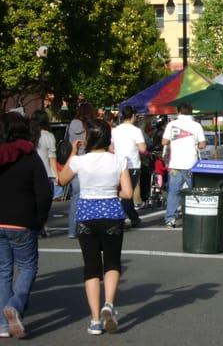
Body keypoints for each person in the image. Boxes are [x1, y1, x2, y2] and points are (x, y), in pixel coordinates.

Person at [58, 119, 132, 336]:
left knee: (91, 267)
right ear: (108, 138)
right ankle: (108, 304)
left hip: (86, 215)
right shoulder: (118, 160)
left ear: (89, 138)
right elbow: (127, 193)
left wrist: (73, 152)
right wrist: (112, 192)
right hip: (111, 214)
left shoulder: (79, 161)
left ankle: (95, 320)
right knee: (111, 262)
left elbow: (62, 180)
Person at [0, 112, 52, 339]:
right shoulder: (31, 156)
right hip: (23, 222)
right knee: (28, 266)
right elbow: (44, 193)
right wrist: (40, 219)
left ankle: (2, 326)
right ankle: (16, 304)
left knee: (3, 272)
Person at [162, 102, 206, 228]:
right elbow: (202, 145)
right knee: (195, 191)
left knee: (174, 193)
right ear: (191, 112)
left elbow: (164, 141)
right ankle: (198, 215)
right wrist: (194, 144)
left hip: (175, 164)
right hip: (191, 164)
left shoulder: (171, 124)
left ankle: (170, 219)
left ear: (179, 111)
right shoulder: (196, 125)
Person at [111, 106, 146, 228]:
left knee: (121, 192)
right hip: (132, 165)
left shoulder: (114, 130)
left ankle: (129, 217)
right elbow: (142, 148)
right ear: (133, 116)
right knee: (128, 193)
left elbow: (110, 148)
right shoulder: (136, 130)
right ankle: (129, 217)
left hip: (118, 164)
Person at [67, 102, 96, 238]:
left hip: (75, 161)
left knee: (75, 197)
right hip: (89, 163)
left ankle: (72, 231)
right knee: (92, 196)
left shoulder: (72, 124)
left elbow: (67, 140)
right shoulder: (92, 126)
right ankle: (88, 228)